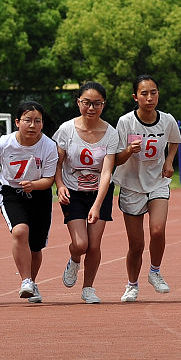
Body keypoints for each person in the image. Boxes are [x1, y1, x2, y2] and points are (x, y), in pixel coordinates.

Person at [112, 75, 181, 302]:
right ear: (135, 97)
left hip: (158, 182)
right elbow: (116, 159)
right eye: (144, 93)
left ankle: (155, 271)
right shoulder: (125, 122)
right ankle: (132, 285)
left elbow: (175, 141)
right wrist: (128, 151)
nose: (149, 97)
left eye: (153, 92)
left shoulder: (168, 120)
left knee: (158, 230)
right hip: (132, 184)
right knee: (136, 244)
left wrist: (169, 161)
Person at [0, 100, 58, 304]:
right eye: (28, 120)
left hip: (39, 194)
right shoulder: (4, 143)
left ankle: (32, 283)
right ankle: (25, 280)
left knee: (36, 247)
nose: (32, 125)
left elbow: (49, 179)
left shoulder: (49, 146)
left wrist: (34, 185)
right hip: (11, 192)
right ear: (17, 122)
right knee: (19, 231)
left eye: (37, 121)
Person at [54, 81, 119, 304]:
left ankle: (88, 288)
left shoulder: (111, 133)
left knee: (94, 244)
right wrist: (60, 185)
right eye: (87, 103)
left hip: (99, 192)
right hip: (72, 190)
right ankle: (74, 259)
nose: (91, 108)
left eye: (97, 104)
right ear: (78, 103)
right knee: (80, 244)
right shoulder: (66, 130)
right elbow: (57, 163)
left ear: (104, 105)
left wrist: (97, 204)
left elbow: (107, 172)